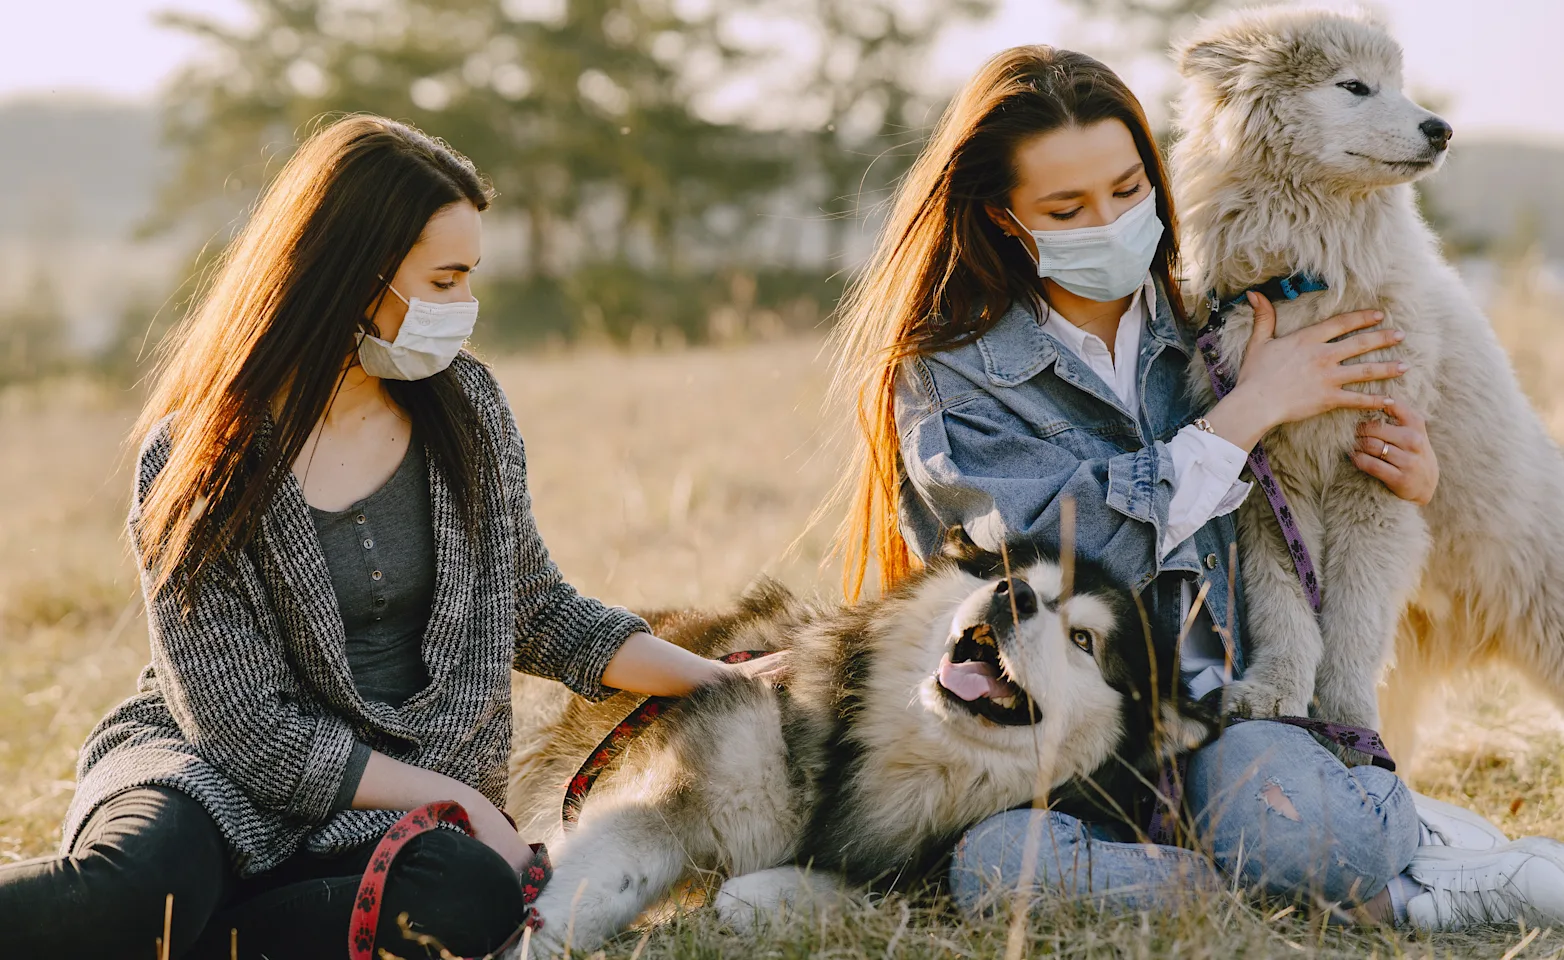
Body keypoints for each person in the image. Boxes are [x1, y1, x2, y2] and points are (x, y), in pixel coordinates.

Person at [827, 45, 1564, 931]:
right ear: (1004, 218)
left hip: (1219, 716)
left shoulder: (1214, 304)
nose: (1109, 221)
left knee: (1312, 841)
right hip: (1066, 725)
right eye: (1067, 208)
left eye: (1129, 191)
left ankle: (1368, 861)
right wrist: (1243, 415)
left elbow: (1313, 503)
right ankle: (1357, 880)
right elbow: (1056, 557)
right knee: (995, 867)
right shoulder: (952, 375)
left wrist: (1416, 470)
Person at [0, 115, 773, 958]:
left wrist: (710, 677)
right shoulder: (199, 457)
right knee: (135, 896)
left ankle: (205, 932)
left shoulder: (470, 413)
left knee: (472, 898)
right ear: (352, 277)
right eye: (443, 283)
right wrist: (467, 802)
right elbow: (245, 730)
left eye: (469, 279)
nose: (464, 309)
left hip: (384, 813)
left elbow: (539, 611)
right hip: (210, 778)